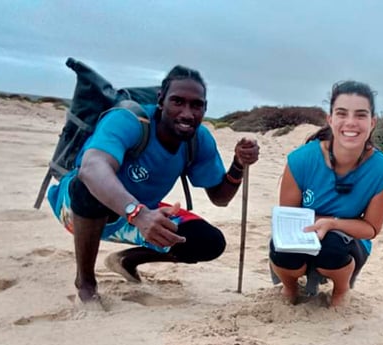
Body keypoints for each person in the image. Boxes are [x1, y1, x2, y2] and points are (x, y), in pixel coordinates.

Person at [47, 65, 260, 304]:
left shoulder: (198, 140)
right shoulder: (128, 120)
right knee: (86, 187)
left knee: (210, 242)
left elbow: (220, 198)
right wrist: (137, 213)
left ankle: (127, 260)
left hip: (140, 216)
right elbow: (92, 168)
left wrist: (238, 165)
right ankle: (86, 283)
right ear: (161, 100)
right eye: (178, 102)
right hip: (77, 212)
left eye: (196, 105)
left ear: (205, 108)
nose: (187, 113)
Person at [269, 81, 383, 307]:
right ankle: (290, 288)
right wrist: (316, 224)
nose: (350, 123)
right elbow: (288, 219)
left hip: (347, 242)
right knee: (281, 249)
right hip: (303, 233)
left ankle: (341, 290)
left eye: (360, 115)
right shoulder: (301, 159)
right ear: (330, 119)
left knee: (332, 246)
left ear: (372, 122)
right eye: (342, 113)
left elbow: (371, 229)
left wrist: (332, 223)